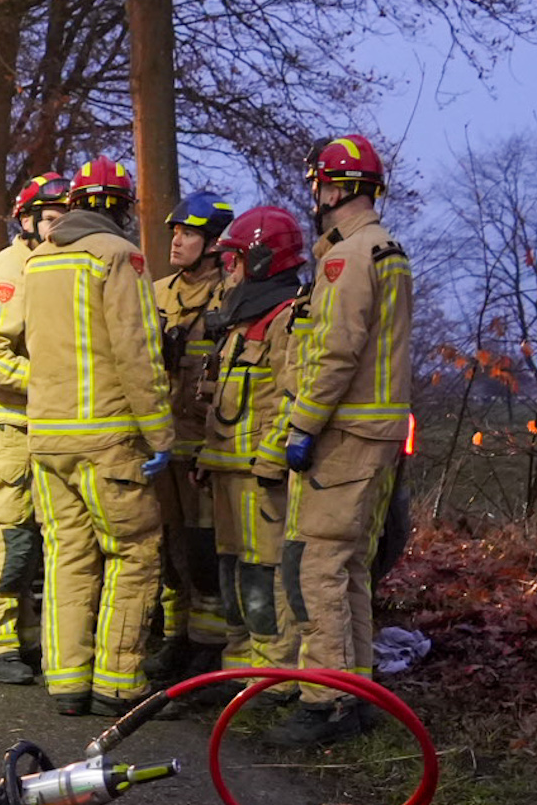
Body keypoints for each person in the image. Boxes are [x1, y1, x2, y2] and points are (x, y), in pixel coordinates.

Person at [256, 135, 412, 746]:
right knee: (348, 569)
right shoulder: (386, 250)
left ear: (335, 188)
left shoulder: (348, 259)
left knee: (314, 566)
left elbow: (333, 354)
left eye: (319, 184)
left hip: (342, 435)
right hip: (372, 434)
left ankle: (325, 703)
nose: (316, 196)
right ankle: (358, 692)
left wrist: (301, 426)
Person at [3, 157, 173, 716]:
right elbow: (138, 353)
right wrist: (162, 435)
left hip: (48, 440)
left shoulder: (39, 263)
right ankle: (119, 683)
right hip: (107, 440)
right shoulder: (119, 257)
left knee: (67, 557)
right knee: (132, 554)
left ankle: (68, 682)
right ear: (120, 207)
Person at [0, 170, 67, 685]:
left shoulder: (47, 267)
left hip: (33, 423)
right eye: (50, 219)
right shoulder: (8, 272)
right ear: (26, 221)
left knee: (28, 540)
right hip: (6, 427)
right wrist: (53, 383)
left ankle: (21, 637)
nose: (57, 228)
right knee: (7, 537)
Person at [201, 206, 309, 691]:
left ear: (264, 261)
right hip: (226, 470)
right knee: (232, 576)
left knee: (264, 579)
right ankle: (239, 669)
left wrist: (274, 454)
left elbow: (297, 395)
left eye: (236, 259)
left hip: (259, 475)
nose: (229, 269)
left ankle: (274, 679)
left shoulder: (288, 318)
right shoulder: (241, 320)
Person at [145, 193, 234, 687]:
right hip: (162, 444)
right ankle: (176, 639)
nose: (176, 240)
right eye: (174, 232)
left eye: (189, 234)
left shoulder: (231, 296)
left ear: (214, 244)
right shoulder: (155, 293)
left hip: (206, 444)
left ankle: (209, 647)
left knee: (206, 551)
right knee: (169, 548)